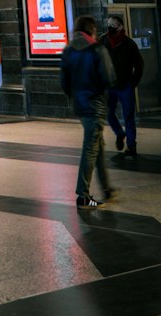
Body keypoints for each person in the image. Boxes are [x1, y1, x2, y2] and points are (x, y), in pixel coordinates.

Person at [60, 15, 118, 209]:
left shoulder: (68, 51)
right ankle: (83, 195)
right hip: (96, 106)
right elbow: (109, 78)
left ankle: (107, 188)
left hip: (80, 105)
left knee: (96, 145)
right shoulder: (97, 50)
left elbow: (64, 83)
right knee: (90, 149)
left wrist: (77, 94)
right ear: (91, 31)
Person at [101, 14, 144, 158]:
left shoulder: (129, 44)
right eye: (109, 24)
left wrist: (132, 84)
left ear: (120, 27)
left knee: (128, 116)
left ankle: (131, 145)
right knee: (108, 113)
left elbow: (139, 66)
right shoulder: (103, 40)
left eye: (113, 25)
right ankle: (120, 133)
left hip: (125, 85)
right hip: (109, 85)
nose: (110, 28)